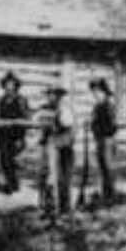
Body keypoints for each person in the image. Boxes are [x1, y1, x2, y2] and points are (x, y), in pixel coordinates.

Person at [40, 87, 76, 218]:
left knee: (63, 179)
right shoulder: (46, 109)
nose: (51, 97)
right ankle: (49, 208)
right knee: (48, 177)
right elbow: (42, 124)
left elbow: (67, 126)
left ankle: (64, 209)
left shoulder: (65, 109)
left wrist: (55, 124)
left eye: (54, 95)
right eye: (49, 94)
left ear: (59, 96)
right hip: (52, 147)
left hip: (64, 147)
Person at [0, 72, 30, 194]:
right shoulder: (2, 100)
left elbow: (25, 117)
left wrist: (20, 138)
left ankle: (12, 185)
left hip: (15, 135)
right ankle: (10, 183)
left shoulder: (21, 100)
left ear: (16, 86)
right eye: (6, 85)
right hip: (3, 135)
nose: (9, 87)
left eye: (11, 85)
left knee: (10, 160)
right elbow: (0, 117)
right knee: (3, 160)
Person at [89, 78, 118, 204]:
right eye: (94, 92)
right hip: (99, 139)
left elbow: (113, 126)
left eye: (97, 92)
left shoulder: (108, 106)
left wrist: (101, 129)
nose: (95, 95)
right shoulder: (97, 106)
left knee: (108, 167)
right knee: (102, 166)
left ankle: (110, 195)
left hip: (107, 140)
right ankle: (105, 194)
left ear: (104, 92)